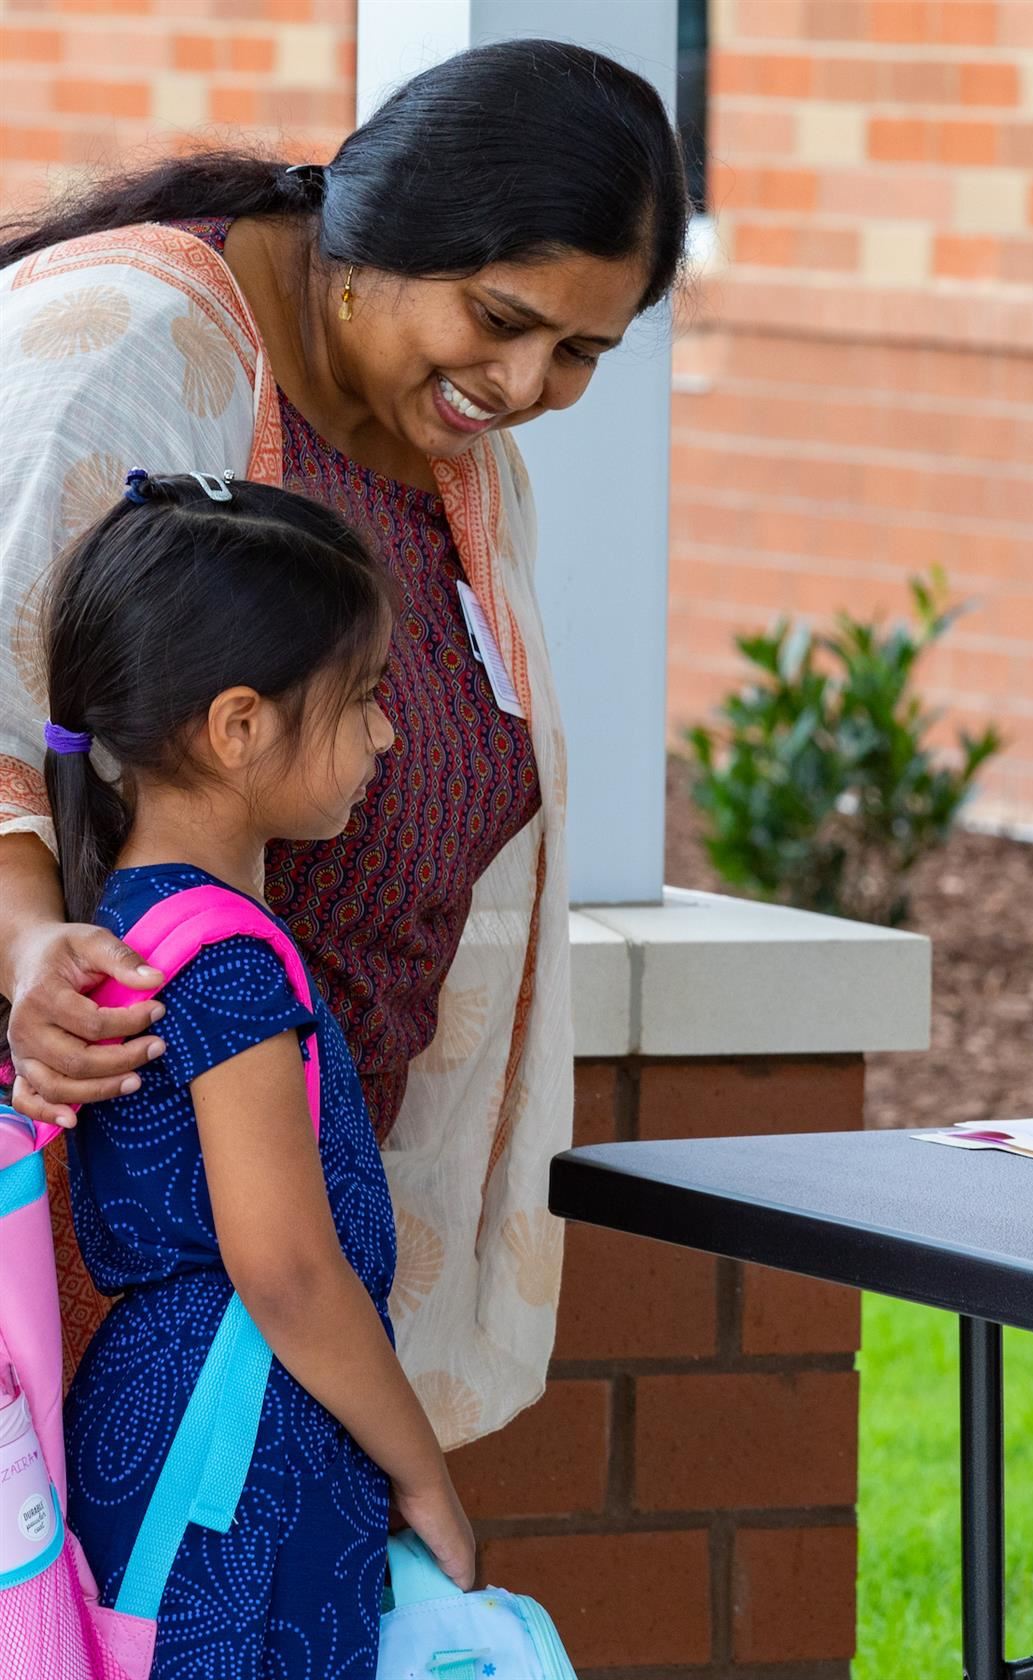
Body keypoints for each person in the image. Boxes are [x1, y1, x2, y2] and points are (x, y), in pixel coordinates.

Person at [0, 38, 689, 1444]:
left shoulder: (438, 434)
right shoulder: (119, 354)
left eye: (580, 353)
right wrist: (22, 942)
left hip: (292, 1241)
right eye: (500, 317)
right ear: (370, 238)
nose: (523, 383)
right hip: (125, 1246)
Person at [44, 471, 472, 1675]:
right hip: (240, 1454)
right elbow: (284, 1265)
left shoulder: (133, 916)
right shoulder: (226, 961)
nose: (387, 733)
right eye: (366, 698)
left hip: (178, 1420)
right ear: (239, 728)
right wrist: (421, 1465)